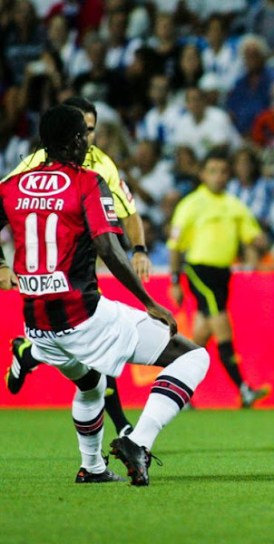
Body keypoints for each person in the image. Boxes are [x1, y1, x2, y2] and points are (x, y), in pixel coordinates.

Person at [0, 104, 209, 485]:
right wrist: (149, 302)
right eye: (84, 135)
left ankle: (93, 467)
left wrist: (2, 264)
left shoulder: (12, 185)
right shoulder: (86, 182)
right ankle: (139, 442)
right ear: (73, 141)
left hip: (38, 324)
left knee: (91, 386)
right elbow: (109, 248)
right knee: (194, 357)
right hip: (84, 317)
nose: (88, 142)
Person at [3, 96, 150, 439]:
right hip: (47, 268)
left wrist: (140, 249)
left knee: (87, 346)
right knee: (88, 342)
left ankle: (30, 354)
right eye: (82, 130)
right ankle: (119, 426)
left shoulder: (103, 165)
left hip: (81, 266)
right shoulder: (36, 163)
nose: (87, 137)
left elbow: (129, 211)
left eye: (91, 130)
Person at [167, 151, 271, 408]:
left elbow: (252, 235)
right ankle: (243, 389)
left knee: (200, 338)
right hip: (199, 270)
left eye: (223, 171)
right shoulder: (191, 204)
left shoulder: (234, 205)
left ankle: (177, 389)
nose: (219, 176)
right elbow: (175, 245)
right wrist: (175, 280)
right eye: (213, 171)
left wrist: (261, 240)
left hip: (223, 273)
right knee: (223, 326)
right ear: (203, 174)